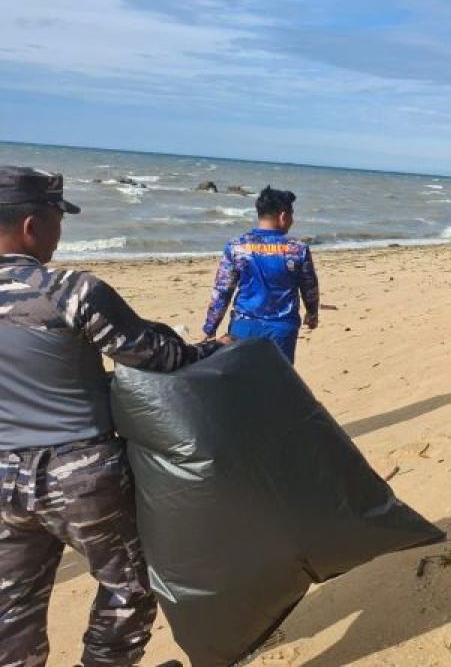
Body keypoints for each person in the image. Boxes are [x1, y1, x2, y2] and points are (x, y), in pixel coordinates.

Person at [0, 166, 222, 667]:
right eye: (58, 218)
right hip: (80, 478)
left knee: (12, 602)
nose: (62, 231)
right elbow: (155, 355)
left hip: (3, 480)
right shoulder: (69, 290)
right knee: (131, 584)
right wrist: (211, 348)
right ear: (33, 225)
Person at [202, 186, 319, 364]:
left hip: (243, 327)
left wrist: (210, 328)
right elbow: (309, 287)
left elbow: (223, 291)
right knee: (277, 381)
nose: (292, 220)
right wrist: (312, 313)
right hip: (282, 329)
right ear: (283, 216)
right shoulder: (298, 249)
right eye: (291, 215)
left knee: (241, 379)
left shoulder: (237, 246)